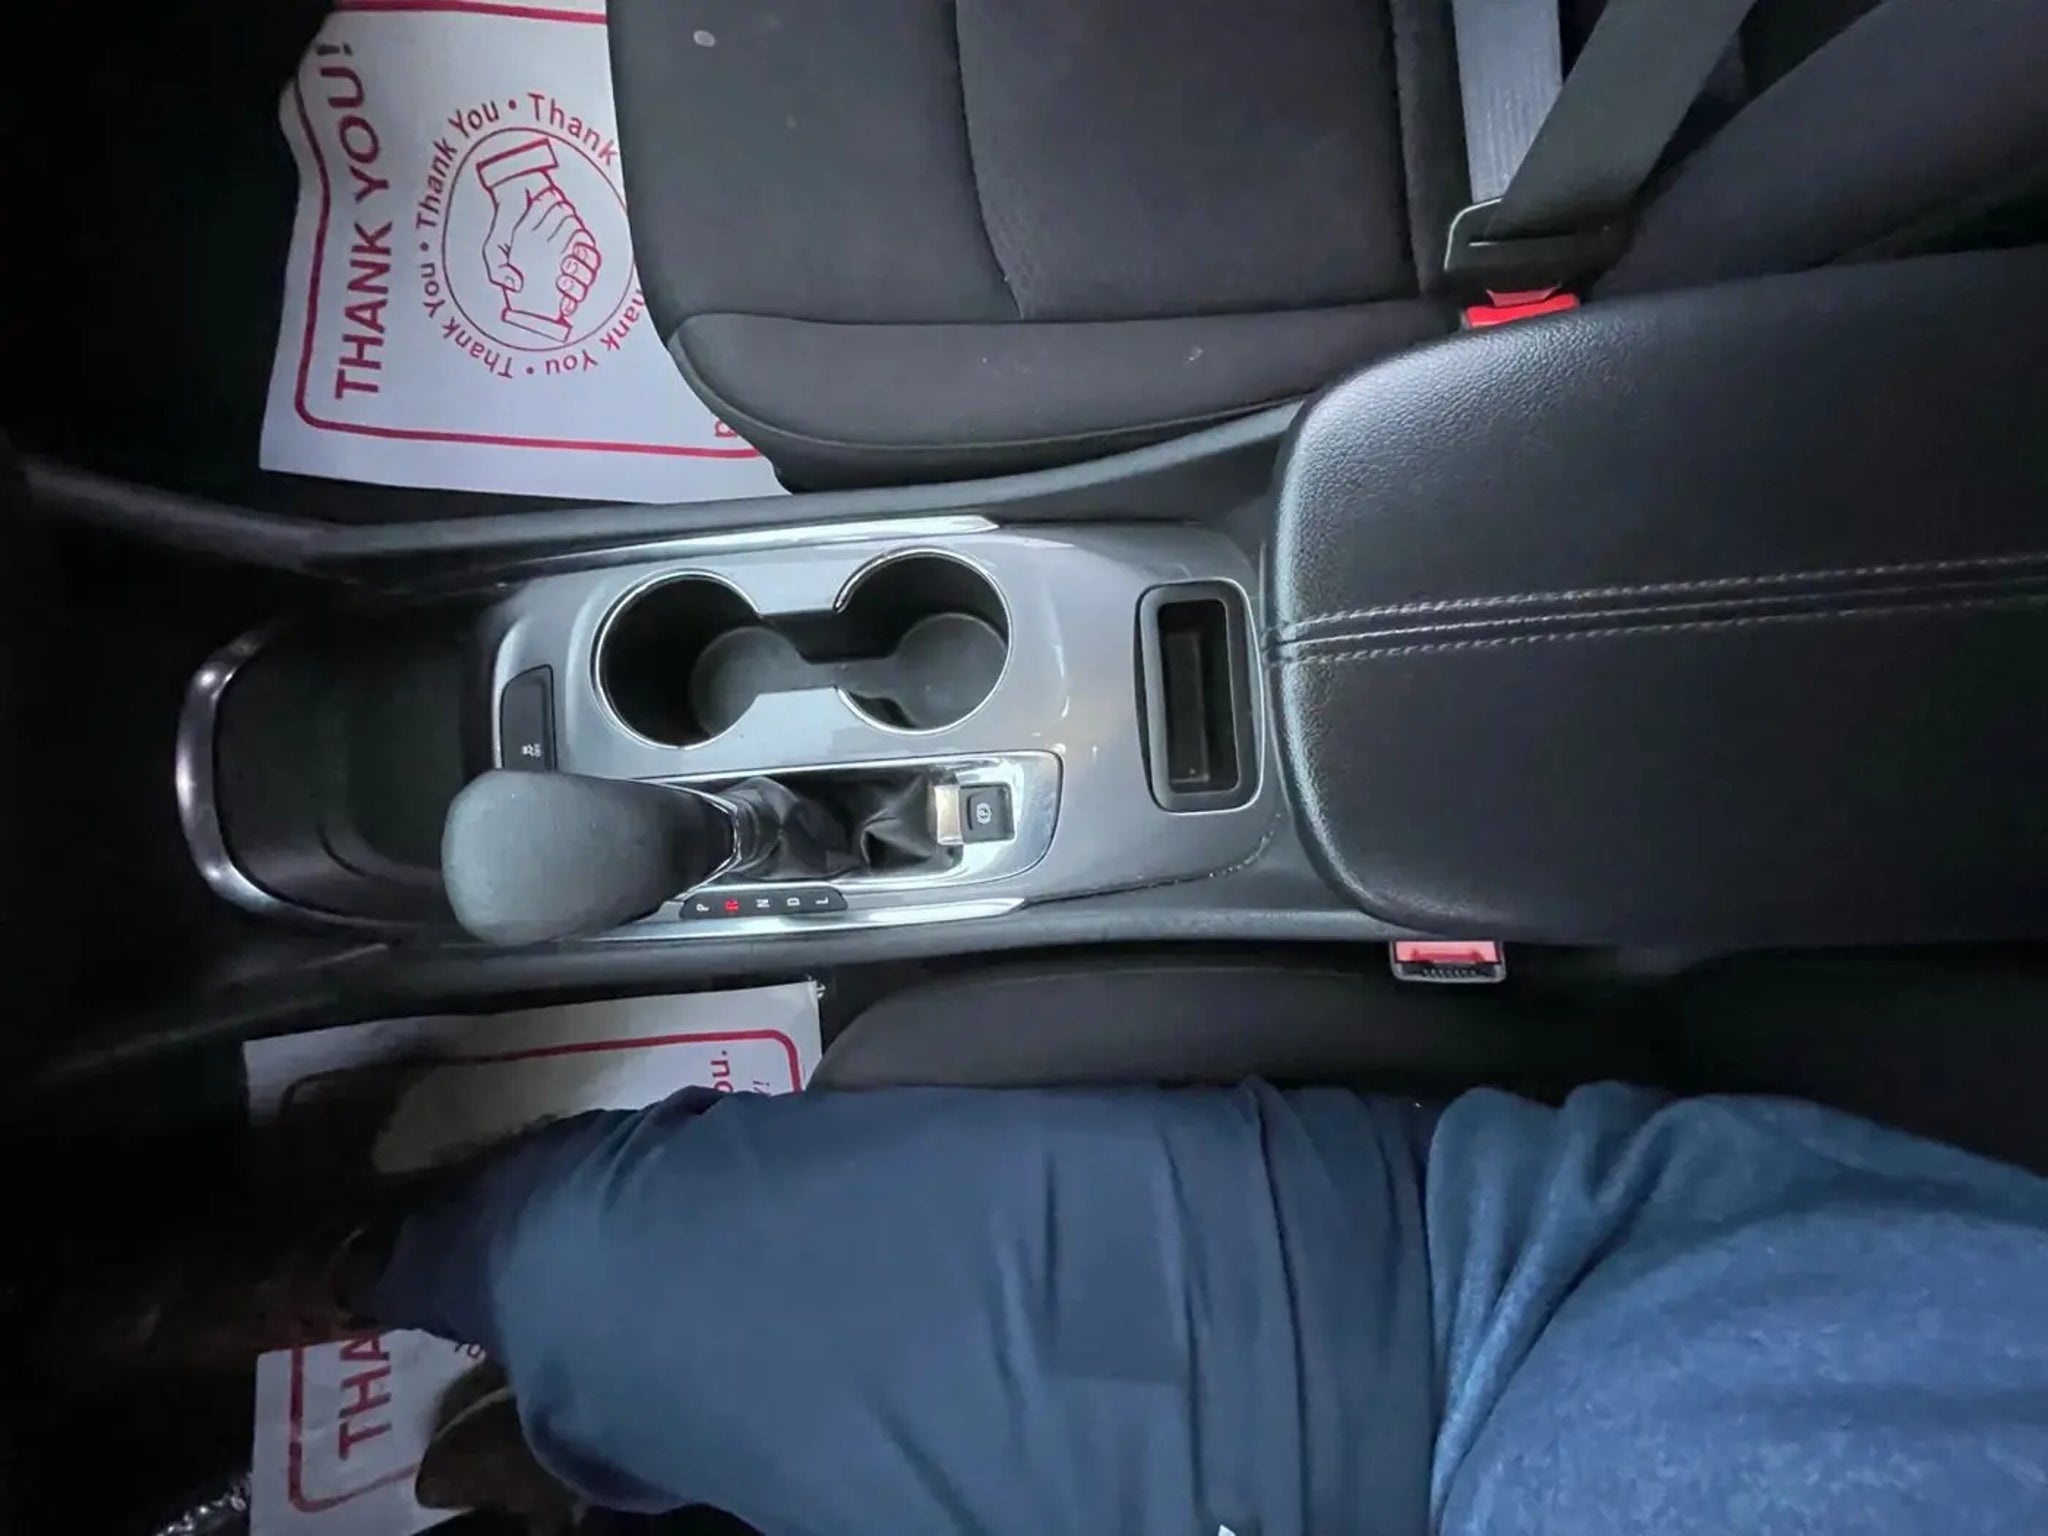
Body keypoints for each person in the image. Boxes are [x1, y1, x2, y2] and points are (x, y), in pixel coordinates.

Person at [113, 1081, 2048, 1535]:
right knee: (588, 1262)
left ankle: (568, 1452)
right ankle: (371, 1272)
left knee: (603, 1291)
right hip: (1506, 1290)